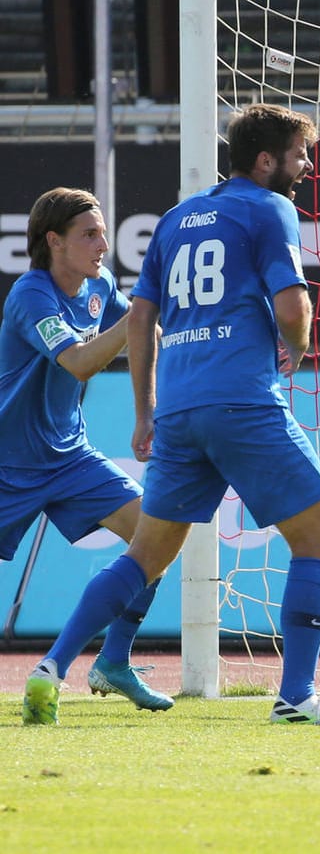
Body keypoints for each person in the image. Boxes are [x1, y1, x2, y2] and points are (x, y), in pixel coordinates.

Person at [24, 104, 320, 727]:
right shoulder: (269, 208)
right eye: (299, 154)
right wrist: (298, 344)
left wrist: (145, 411)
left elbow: (142, 321)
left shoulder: (177, 220)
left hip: (180, 410)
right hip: (242, 400)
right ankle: (297, 695)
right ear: (266, 160)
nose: (307, 165)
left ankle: (51, 666)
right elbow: (292, 305)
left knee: (145, 555)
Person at [9, 189, 172, 722]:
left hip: (69, 457)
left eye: (104, 232)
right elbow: (78, 362)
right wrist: (137, 318)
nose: (104, 245)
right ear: (53, 241)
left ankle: (103, 662)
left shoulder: (100, 287)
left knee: (157, 538)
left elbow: (151, 333)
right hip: (8, 465)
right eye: (90, 234)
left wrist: (203, 352)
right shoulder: (32, 295)